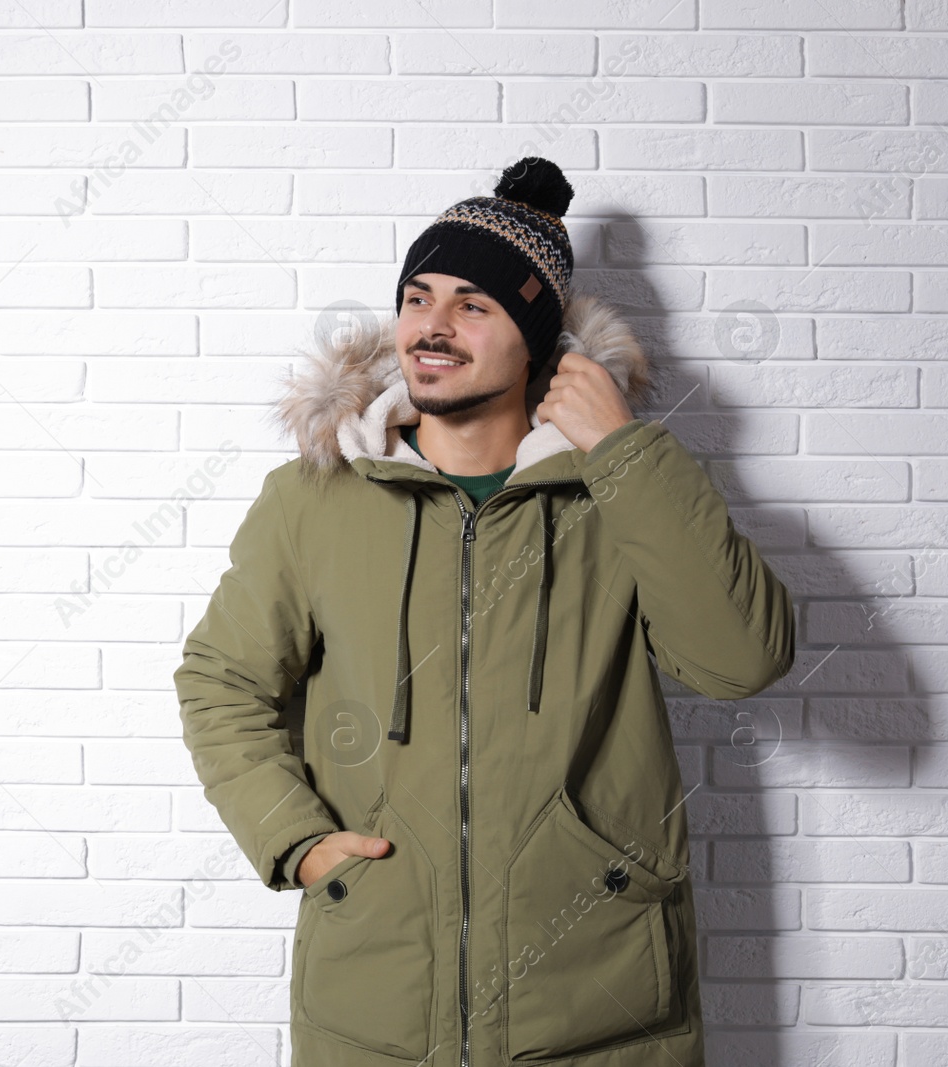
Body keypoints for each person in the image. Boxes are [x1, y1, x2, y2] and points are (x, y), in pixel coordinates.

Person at [173, 157, 796, 1067]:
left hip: (601, 1004)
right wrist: (298, 843)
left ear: (538, 338)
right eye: (419, 297)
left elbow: (742, 659)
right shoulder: (315, 501)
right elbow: (219, 682)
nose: (432, 324)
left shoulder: (613, 493)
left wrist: (624, 450)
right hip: (376, 1005)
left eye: (474, 304)